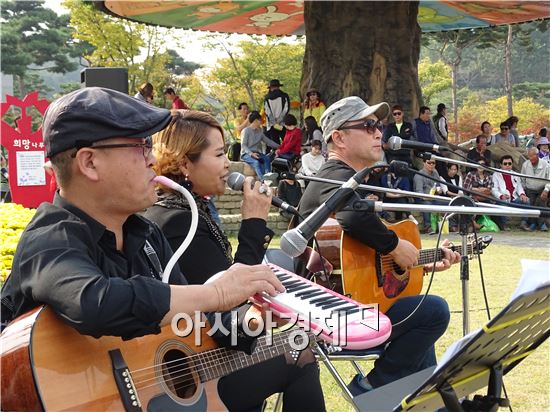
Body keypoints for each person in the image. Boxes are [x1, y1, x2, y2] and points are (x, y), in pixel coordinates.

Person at [0, 88, 291, 409]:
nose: (153, 158)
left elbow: (197, 328)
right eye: (141, 146)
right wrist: (215, 293)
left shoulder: (147, 236)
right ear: (89, 162)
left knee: (297, 350)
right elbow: (95, 302)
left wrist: (251, 322)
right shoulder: (49, 238)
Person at [142, 110, 325, 409]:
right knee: (300, 349)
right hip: (199, 373)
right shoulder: (178, 224)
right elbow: (230, 313)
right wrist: (253, 223)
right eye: (218, 154)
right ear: (185, 163)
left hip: (212, 351)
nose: (228, 163)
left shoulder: (185, 213)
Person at [298, 96, 460, 395]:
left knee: (419, 317)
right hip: (332, 315)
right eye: (368, 125)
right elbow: (352, 218)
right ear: (339, 138)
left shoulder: (353, 181)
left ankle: (429, 403)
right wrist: (394, 246)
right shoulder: (334, 176)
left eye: (379, 125)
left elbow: (361, 260)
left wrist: (421, 261)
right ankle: (373, 388)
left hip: (354, 304)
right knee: (432, 311)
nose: (378, 132)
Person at [463, 158, 506, 230]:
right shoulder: (470, 174)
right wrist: (479, 190)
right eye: (478, 164)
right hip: (474, 198)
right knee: (471, 206)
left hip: (486, 198)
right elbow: (466, 188)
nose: (480, 166)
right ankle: (474, 225)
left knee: (496, 206)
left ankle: (501, 226)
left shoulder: (488, 176)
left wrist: (475, 189)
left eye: (482, 164)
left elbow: (489, 190)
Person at [491, 155, 529, 231]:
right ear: (501, 165)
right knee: (502, 203)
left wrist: (522, 194)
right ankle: (504, 225)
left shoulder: (515, 174)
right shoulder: (496, 175)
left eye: (509, 163)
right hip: (503, 199)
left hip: (514, 199)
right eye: (505, 164)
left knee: (527, 200)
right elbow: (494, 189)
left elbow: (519, 187)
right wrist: (501, 196)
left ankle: (524, 223)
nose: (507, 165)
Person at [240, 111, 280, 180]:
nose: (261, 121)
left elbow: (268, 141)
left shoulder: (260, 131)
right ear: (255, 121)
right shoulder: (246, 131)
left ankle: (268, 177)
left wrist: (281, 146)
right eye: (260, 120)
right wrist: (251, 154)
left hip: (257, 153)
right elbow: (243, 145)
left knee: (267, 159)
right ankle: (263, 181)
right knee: (256, 162)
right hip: (246, 154)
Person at [520, 148, 550, 231]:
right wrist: (523, 191)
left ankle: (542, 224)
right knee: (530, 202)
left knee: (541, 200)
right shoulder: (526, 165)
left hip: (542, 188)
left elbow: (549, 179)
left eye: (532, 156)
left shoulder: (545, 164)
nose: (530, 158)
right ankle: (532, 223)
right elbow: (522, 179)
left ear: (537, 155)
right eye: (529, 156)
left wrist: (546, 190)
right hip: (530, 189)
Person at [413, 158, 443, 234]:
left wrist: (439, 190)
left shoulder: (435, 173)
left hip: (434, 197)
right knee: (428, 204)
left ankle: (450, 225)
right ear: (424, 163)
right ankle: (428, 226)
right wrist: (428, 197)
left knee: (447, 202)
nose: (431, 165)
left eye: (433, 163)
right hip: (422, 199)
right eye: (429, 163)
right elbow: (419, 194)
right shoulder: (419, 175)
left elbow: (439, 187)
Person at [262, 79, 290, 145]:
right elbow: (267, 111)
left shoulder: (284, 96)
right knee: (276, 143)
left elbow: (285, 109)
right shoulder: (267, 98)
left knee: (285, 141)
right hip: (276, 124)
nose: (274, 89)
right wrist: (276, 121)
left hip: (279, 123)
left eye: (275, 87)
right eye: (273, 87)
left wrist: (276, 122)